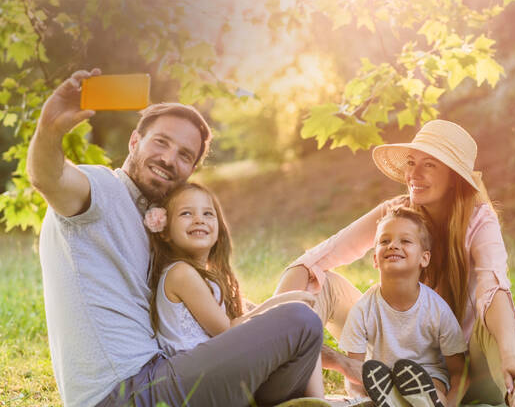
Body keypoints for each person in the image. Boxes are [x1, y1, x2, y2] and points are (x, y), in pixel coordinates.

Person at [28, 69, 325, 407]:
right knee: (299, 321)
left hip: (160, 377)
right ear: (134, 142)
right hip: (126, 392)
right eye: (161, 142)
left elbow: (219, 311)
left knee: (297, 325)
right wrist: (49, 130)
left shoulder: (161, 228)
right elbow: (48, 177)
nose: (169, 159)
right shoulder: (101, 191)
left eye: (185, 155)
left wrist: (332, 358)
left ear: (191, 172)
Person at [277, 119, 515, 407]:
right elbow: (313, 261)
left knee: (499, 317)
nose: (413, 174)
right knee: (320, 283)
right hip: (397, 361)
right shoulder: (395, 213)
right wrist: (276, 325)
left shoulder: (479, 221)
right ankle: (296, 391)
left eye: (429, 164)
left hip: (464, 367)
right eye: (411, 162)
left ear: (454, 176)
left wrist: (510, 350)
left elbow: (493, 288)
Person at [146, 182, 324, 398]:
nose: (199, 219)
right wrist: (279, 304)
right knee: (301, 319)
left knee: (305, 330)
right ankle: (315, 401)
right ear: (165, 232)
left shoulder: (205, 278)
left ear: (219, 228)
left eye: (208, 213)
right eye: (186, 213)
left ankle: (317, 401)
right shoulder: (181, 273)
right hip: (196, 379)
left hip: (217, 373)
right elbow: (227, 330)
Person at [340, 206, 467, 407]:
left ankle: (426, 402)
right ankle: (391, 400)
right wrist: (361, 399)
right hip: (382, 380)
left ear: (424, 258)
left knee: (433, 390)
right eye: (384, 241)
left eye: (405, 241)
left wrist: (450, 404)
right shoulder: (363, 309)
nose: (393, 245)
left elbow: (459, 372)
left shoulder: (437, 309)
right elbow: (353, 371)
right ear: (375, 258)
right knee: (370, 387)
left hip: (428, 376)